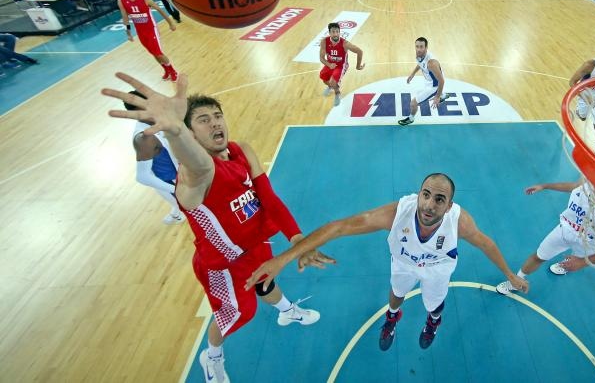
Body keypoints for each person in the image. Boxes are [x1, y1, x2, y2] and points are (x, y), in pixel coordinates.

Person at [101, 73, 331, 383]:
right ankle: (212, 356)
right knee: (237, 313)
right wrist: (175, 131)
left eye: (217, 116)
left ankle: (286, 310)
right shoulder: (195, 174)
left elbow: (269, 199)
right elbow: (199, 166)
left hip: (254, 245)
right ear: (191, 134)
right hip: (223, 264)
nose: (215, 124)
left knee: (266, 280)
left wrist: (297, 238)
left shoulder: (241, 150)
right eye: (203, 120)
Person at [245, 173, 529, 351]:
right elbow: (340, 226)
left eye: (439, 199)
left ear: (450, 205)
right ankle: (392, 317)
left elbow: (487, 244)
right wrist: (284, 258)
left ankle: (432, 322)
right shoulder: (398, 213)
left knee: (434, 304)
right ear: (419, 193)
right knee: (396, 294)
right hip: (403, 263)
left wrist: (510, 275)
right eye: (426, 194)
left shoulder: (460, 222)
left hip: (437, 269)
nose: (429, 204)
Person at [495, 157, 595, 295]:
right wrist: (544, 186)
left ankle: (566, 265)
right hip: (565, 229)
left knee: (574, 261)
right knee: (538, 256)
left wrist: (582, 262)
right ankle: (517, 280)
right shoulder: (587, 181)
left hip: (589, 242)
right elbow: (573, 186)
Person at [123, 90, 185, 225]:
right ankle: (178, 212)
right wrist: (174, 189)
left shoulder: (161, 116)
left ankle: (176, 212)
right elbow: (142, 176)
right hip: (171, 183)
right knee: (197, 212)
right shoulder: (145, 138)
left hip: (183, 172)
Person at [117, 0, 179, 81]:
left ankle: (173, 71)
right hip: (140, 32)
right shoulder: (121, 1)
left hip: (151, 30)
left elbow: (160, 10)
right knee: (153, 53)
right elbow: (125, 17)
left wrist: (170, 23)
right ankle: (166, 70)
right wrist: (128, 33)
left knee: (158, 52)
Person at [398, 37, 451, 126]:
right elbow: (420, 64)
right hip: (432, 78)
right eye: (417, 46)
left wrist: (437, 97)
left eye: (421, 47)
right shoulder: (419, 54)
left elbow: (441, 81)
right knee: (432, 85)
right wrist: (412, 74)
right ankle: (443, 95)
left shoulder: (431, 63)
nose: (418, 49)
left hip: (435, 85)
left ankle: (411, 118)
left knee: (413, 103)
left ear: (426, 48)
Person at [319, 22, 365, 107]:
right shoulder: (324, 42)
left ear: (339, 32)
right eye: (333, 32)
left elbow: (359, 51)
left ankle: (337, 93)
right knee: (324, 79)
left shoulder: (345, 43)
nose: (335, 34)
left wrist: (358, 66)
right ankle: (330, 87)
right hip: (330, 64)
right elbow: (321, 58)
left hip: (341, 66)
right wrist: (329, 64)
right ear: (329, 33)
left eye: (337, 31)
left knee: (333, 81)